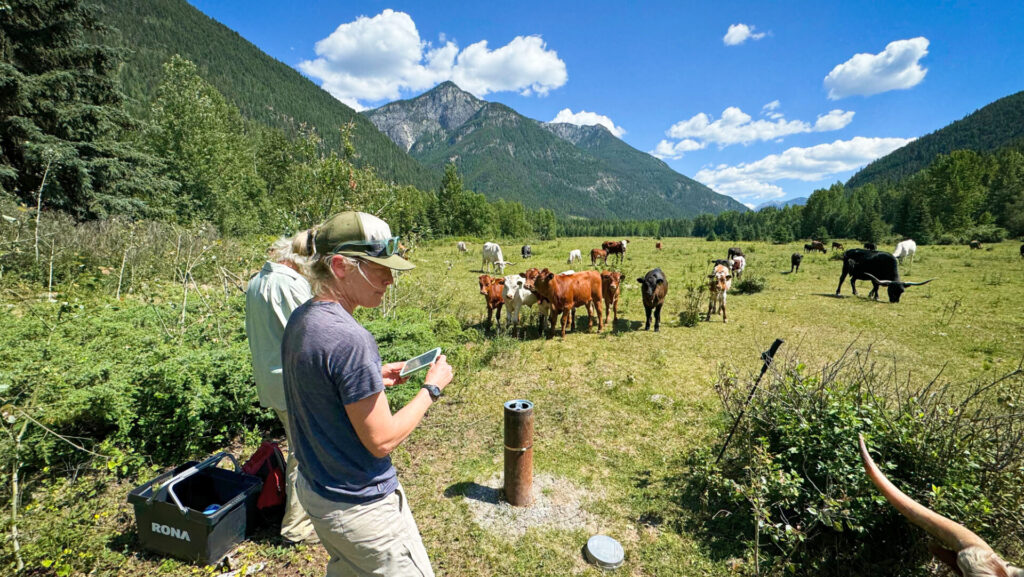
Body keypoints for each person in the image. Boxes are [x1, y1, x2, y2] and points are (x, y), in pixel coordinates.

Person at [282, 211, 453, 577]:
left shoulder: (303, 319)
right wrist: (431, 388)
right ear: (342, 266)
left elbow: (319, 383)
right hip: (361, 509)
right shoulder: (351, 338)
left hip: (318, 492)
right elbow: (382, 439)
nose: (390, 279)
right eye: (380, 268)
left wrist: (371, 375)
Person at [244, 230, 318, 544]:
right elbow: (315, 332)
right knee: (304, 454)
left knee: (300, 449)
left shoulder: (258, 280)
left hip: (274, 381)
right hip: (294, 384)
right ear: (305, 260)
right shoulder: (288, 285)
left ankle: (305, 513)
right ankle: (297, 528)